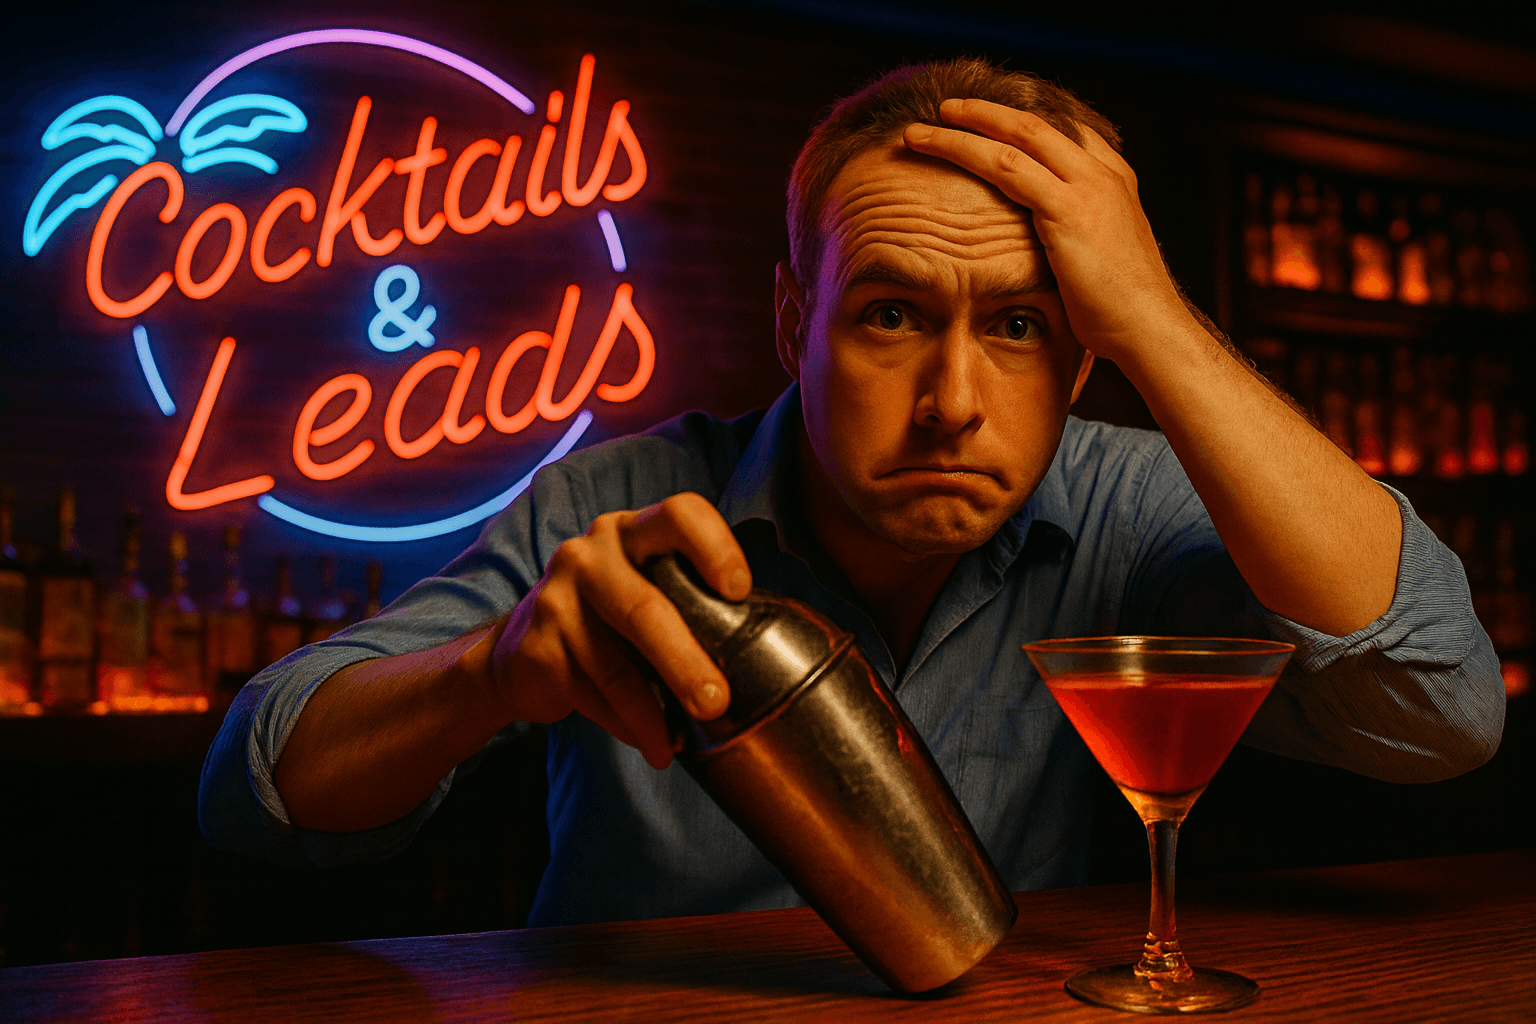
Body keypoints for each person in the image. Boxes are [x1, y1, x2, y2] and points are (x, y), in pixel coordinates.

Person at [199, 58, 1504, 925]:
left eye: (1021, 326)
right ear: (792, 321)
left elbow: (1440, 712)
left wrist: (1155, 314)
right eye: (889, 314)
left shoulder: (1133, 504)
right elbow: (253, 787)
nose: (950, 399)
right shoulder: (613, 506)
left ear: (1085, 348)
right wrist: (490, 671)